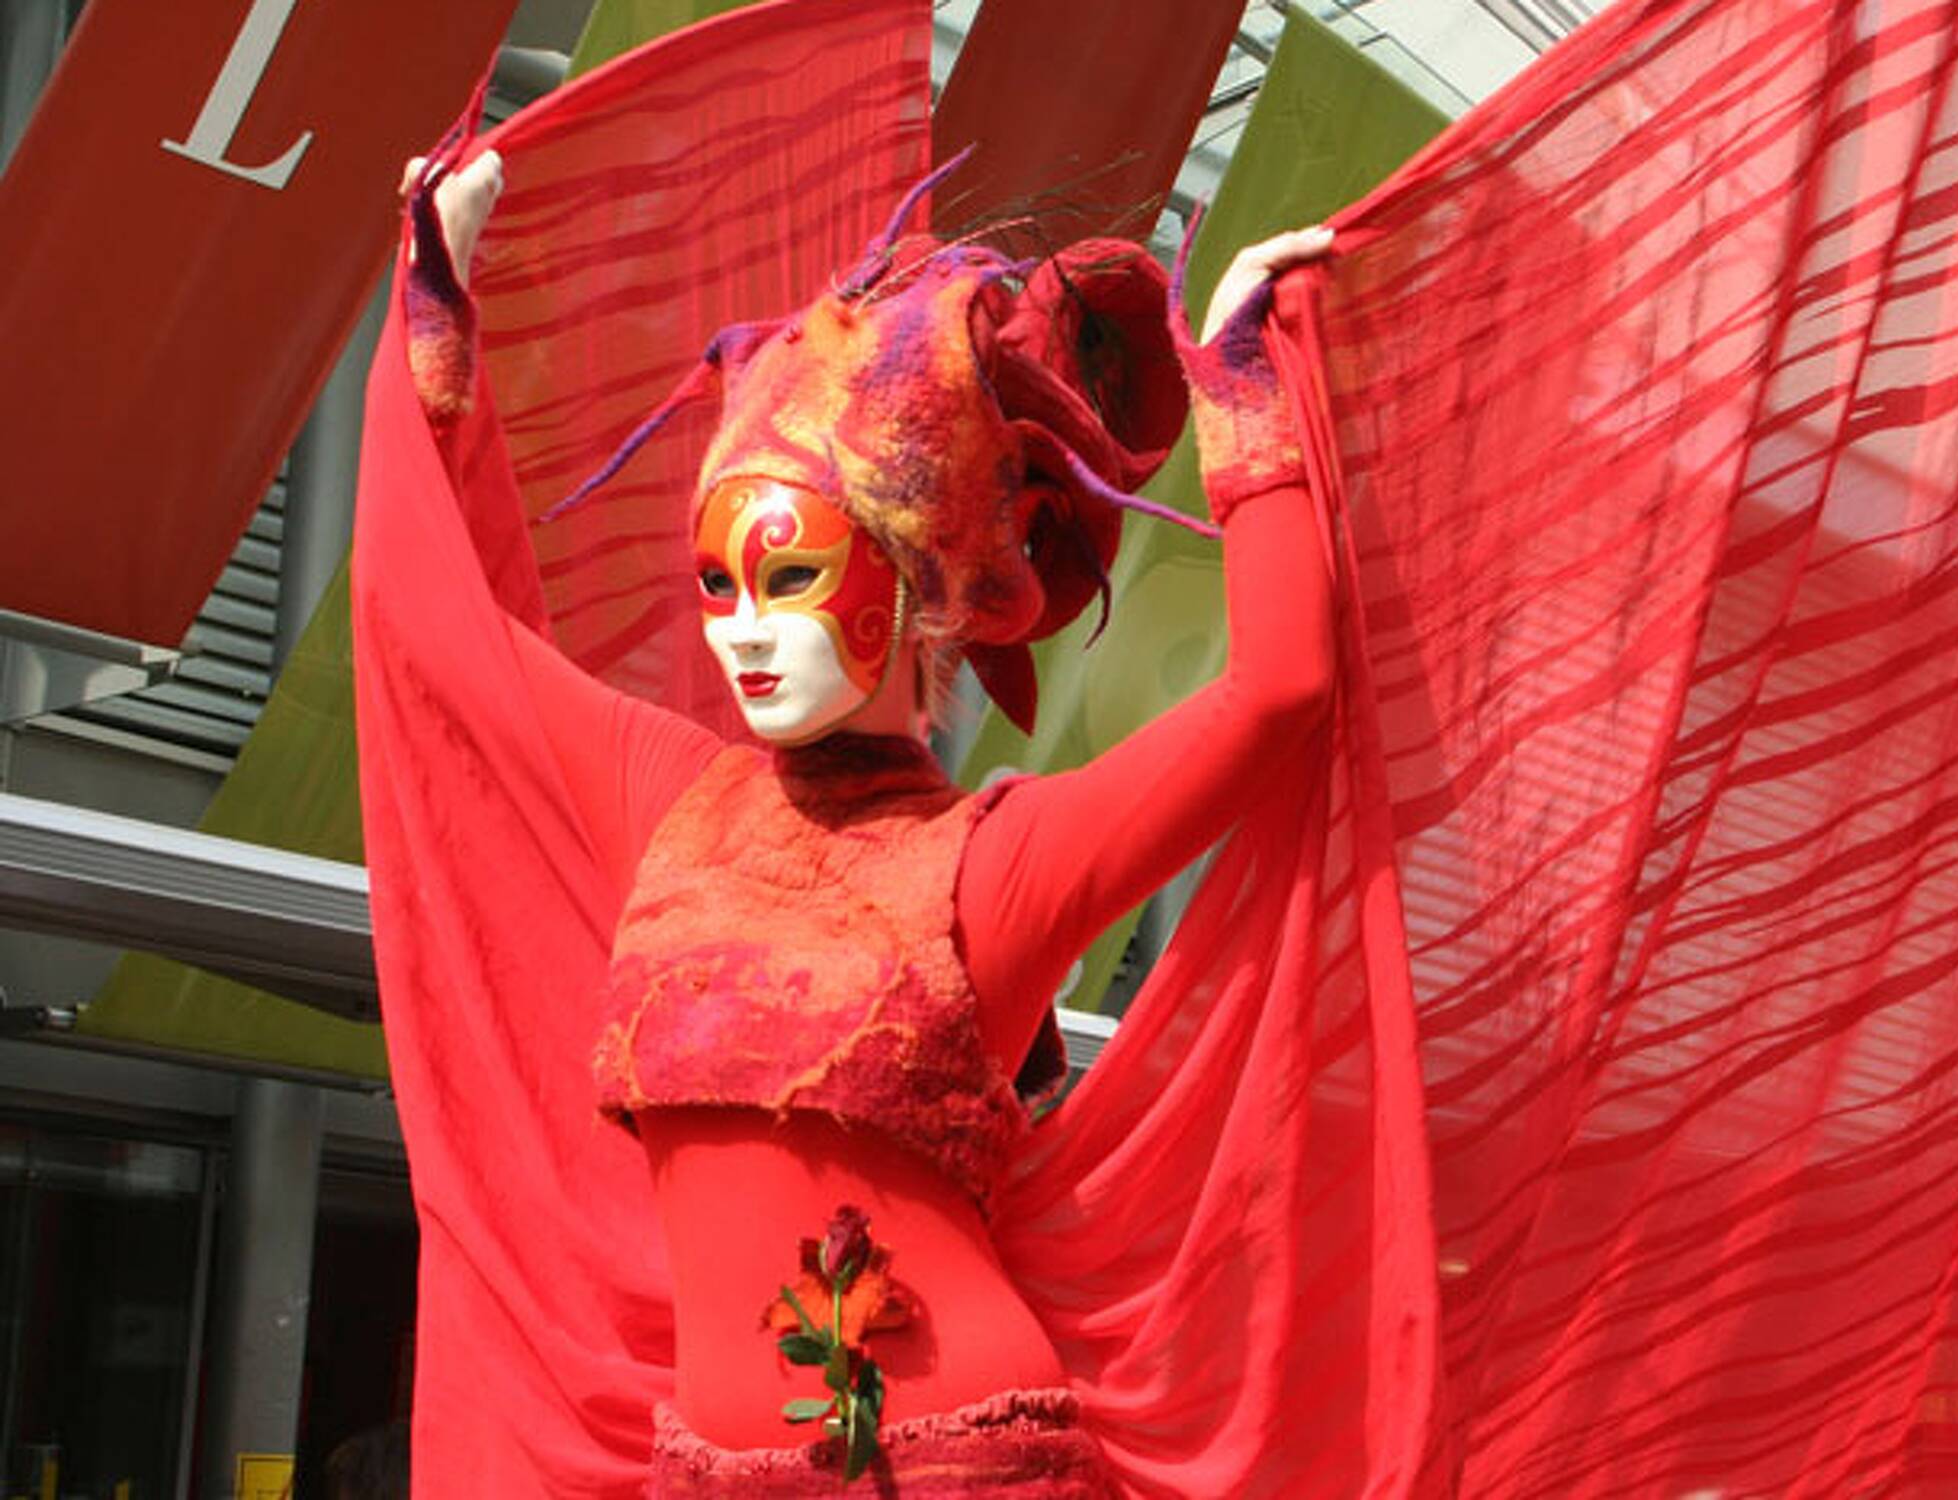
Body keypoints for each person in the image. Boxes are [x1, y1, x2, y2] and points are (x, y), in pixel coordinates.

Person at [383, 145, 1336, 1494]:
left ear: (915, 579)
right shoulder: (671, 801)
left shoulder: (994, 865)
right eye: (718, 585)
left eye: (790, 579)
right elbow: (447, 632)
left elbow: (1278, 688)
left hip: (956, 1471)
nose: (745, 633)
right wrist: (432, 310)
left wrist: (1245, 385)